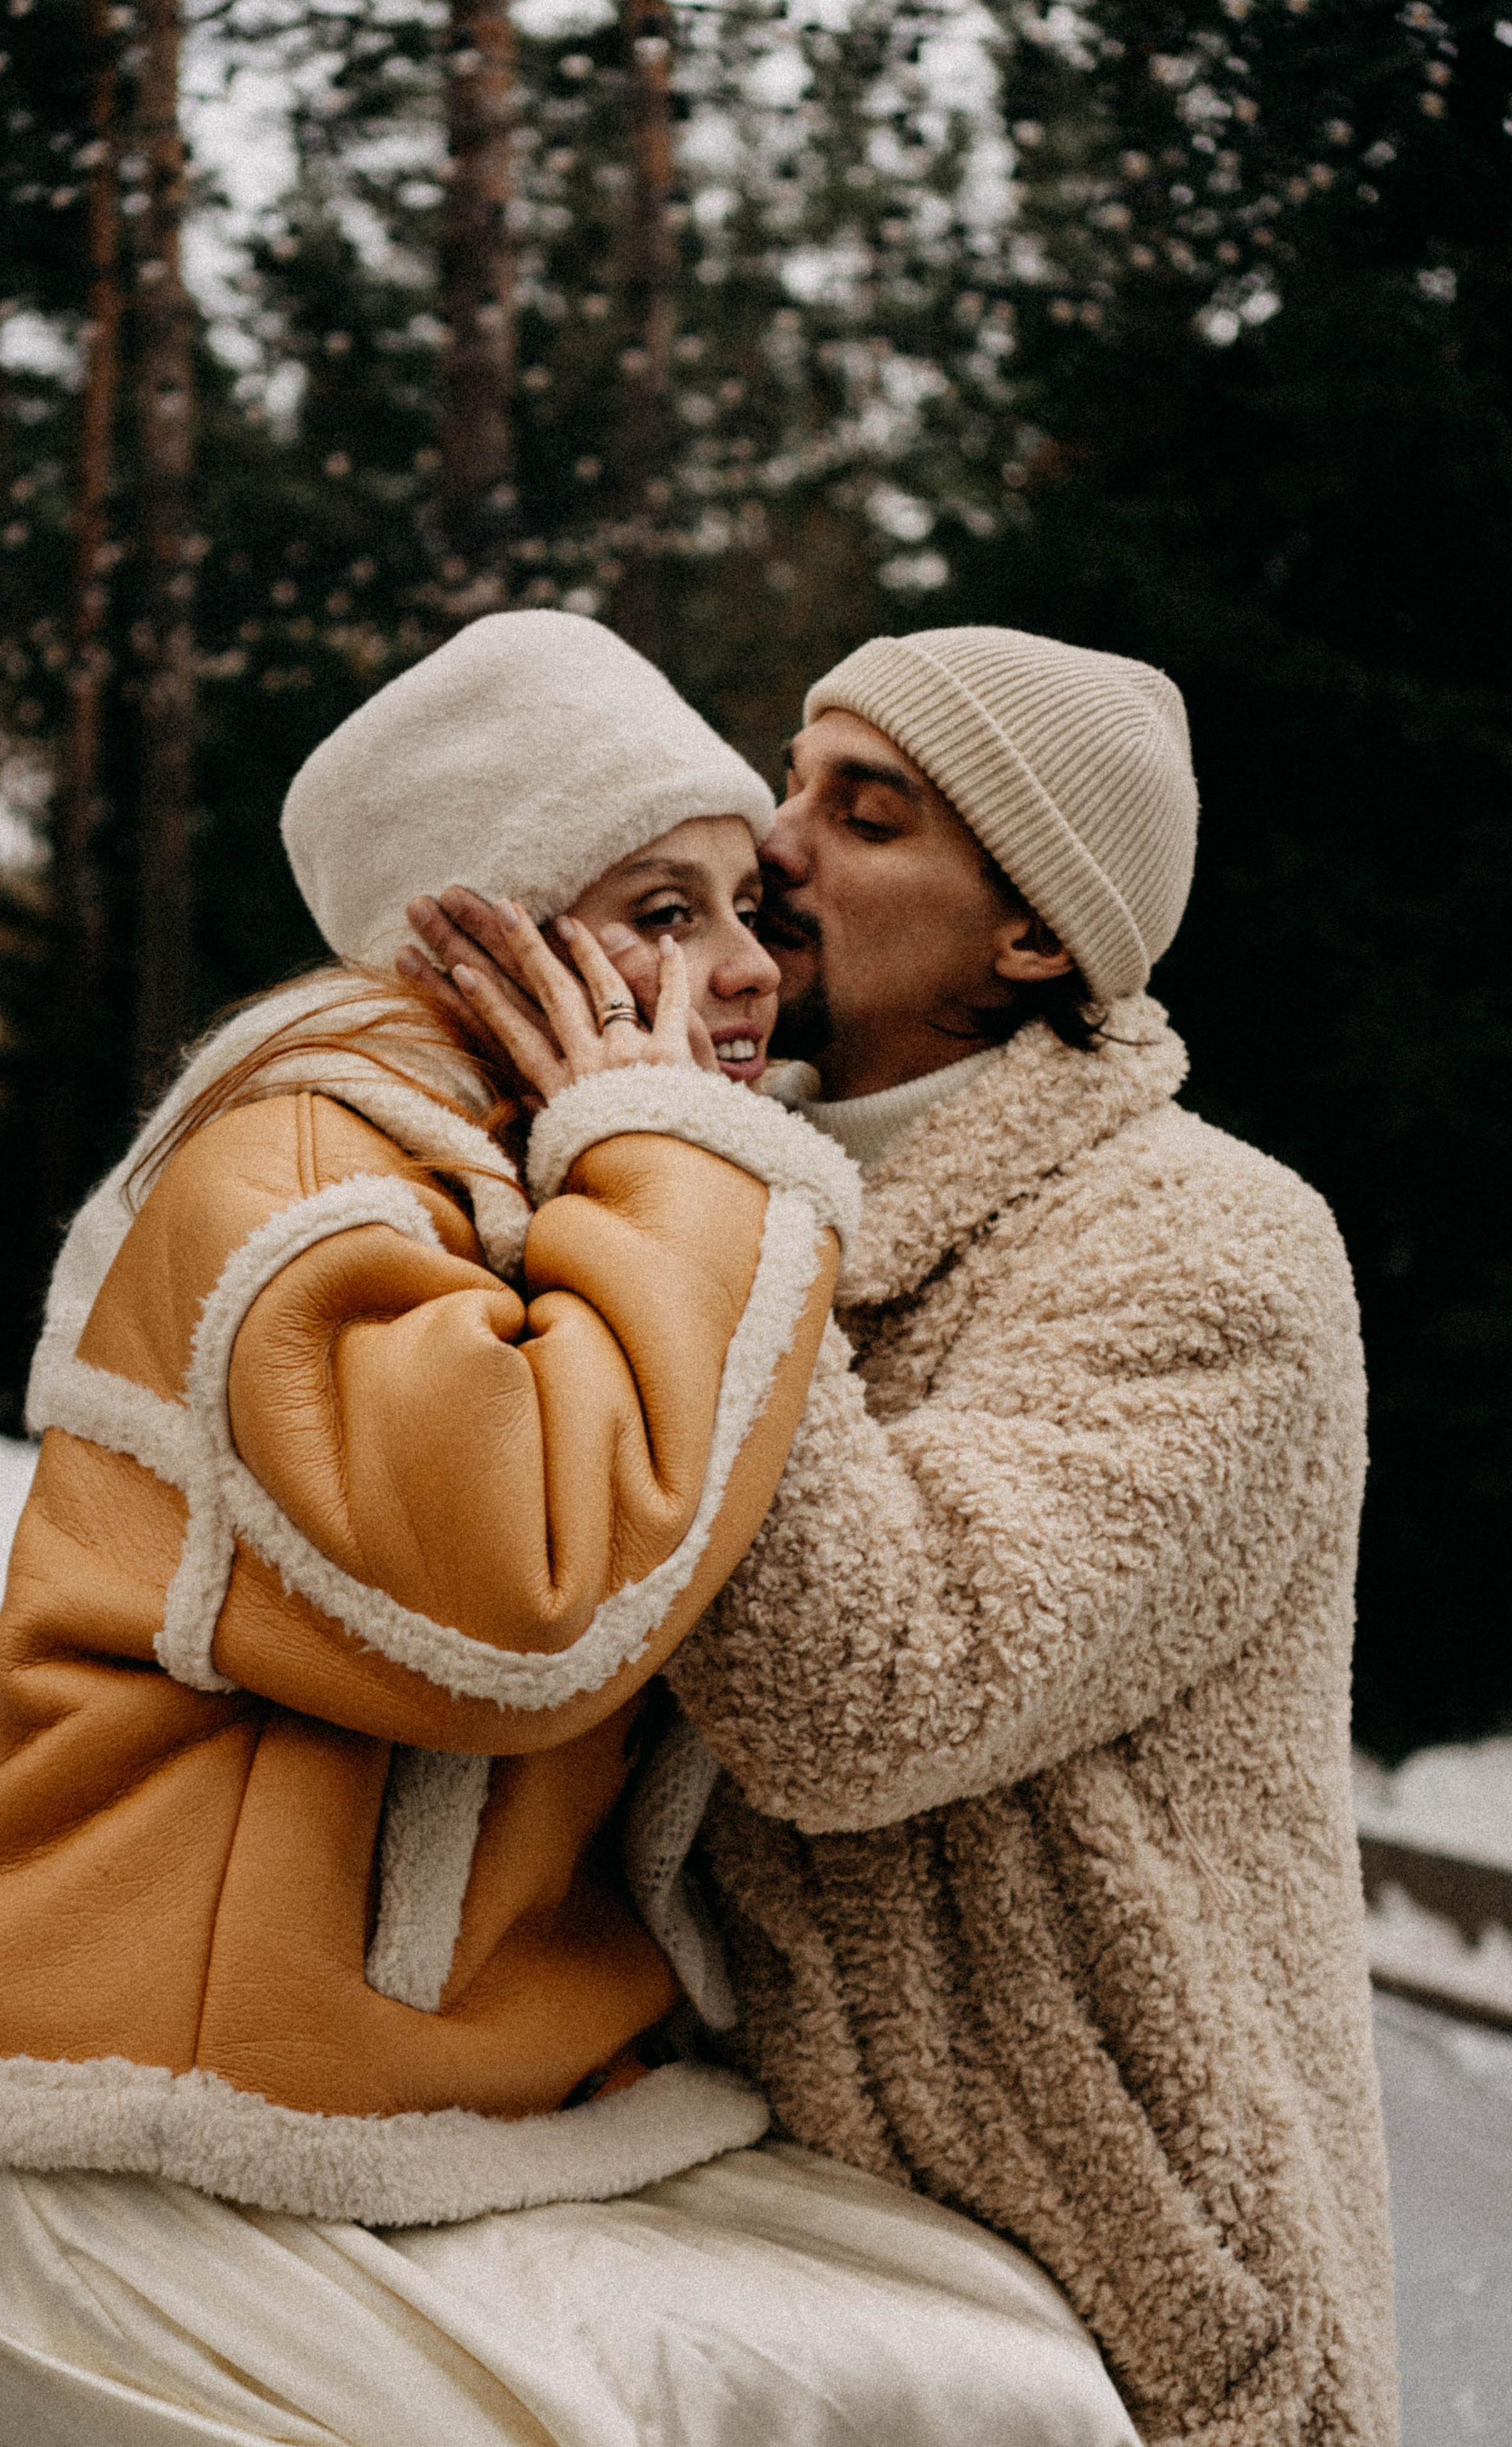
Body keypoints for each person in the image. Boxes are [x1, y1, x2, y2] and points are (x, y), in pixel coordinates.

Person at [0, 612, 1141, 2446]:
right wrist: (680, 1154)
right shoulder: (306, 1163)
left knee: (1008, 2364)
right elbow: (527, 1592)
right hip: (181, 2099)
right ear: (473, 938)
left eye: (745, 911)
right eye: (658, 912)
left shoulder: (529, 1161)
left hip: (444, 2086)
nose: (746, 970)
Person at [419, 626, 1400, 2446]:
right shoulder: (700, 1152)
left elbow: (861, 1699)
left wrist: (679, 1181)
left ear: (1034, 935)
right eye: (789, 780)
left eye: (864, 815)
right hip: (738, 2181)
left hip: (1114, 2282)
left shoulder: (1211, 1251)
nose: (775, 841)